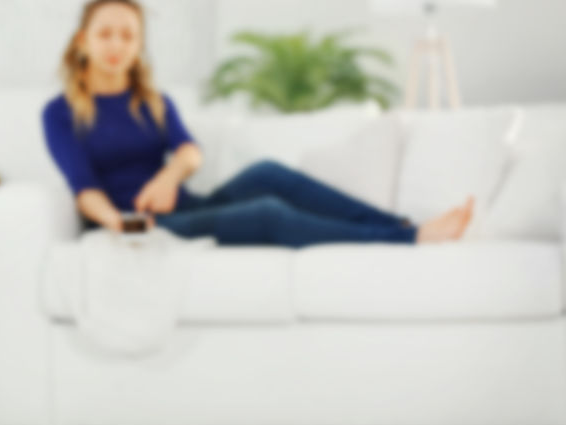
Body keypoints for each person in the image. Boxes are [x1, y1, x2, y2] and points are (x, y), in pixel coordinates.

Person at [41, 0, 475, 248]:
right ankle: (413, 238)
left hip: (183, 206)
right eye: (105, 33)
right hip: (138, 223)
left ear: (139, 46)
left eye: (127, 35)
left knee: (266, 174)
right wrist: (120, 223)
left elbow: (190, 151)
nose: (116, 44)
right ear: (83, 41)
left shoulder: (152, 101)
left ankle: (397, 222)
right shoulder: (60, 113)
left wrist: (169, 176)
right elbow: (85, 190)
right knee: (265, 214)